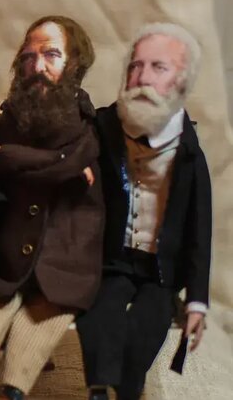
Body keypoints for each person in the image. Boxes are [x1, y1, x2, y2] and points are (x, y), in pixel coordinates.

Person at [0, 16, 104, 400]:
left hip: (65, 246)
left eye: (51, 55)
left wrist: (10, 155)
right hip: (9, 244)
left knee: (46, 313)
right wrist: (51, 165)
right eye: (28, 57)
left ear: (74, 63)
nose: (37, 66)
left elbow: (70, 162)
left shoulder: (85, 119)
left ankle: (16, 382)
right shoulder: (15, 114)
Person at [77, 23, 211, 400]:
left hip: (161, 270)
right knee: (101, 313)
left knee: (146, 325)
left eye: (158, 67)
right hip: (112, 260)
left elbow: (200, 230)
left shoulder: (189, 153)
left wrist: (197, 300)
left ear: (182, 82)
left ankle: (128, 389)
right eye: (135, 66)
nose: (142, 78)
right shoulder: (103, 127)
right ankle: (98, 387)